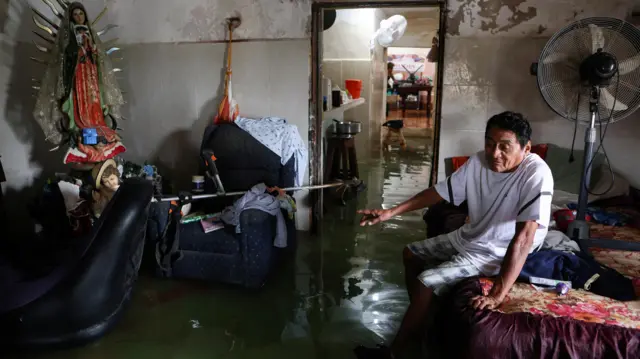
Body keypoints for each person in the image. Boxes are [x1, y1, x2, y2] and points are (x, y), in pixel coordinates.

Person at [354, 111, 553, 359]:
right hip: (472, 236)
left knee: (427, 281)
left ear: (526, 148)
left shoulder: (536, 172)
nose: (494, 153)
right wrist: (390, 212)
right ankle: (421, 317)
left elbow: (524, 237)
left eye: (504, 147)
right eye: (490, 143)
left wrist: (497, 295)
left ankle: (395, 352)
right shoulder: (479, 162)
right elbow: (438, 193)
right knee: (411, 253)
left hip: (497, 249)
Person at [33, 2, 125, 165]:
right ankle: (82, 127)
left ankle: (98, 125)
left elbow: (100, 59)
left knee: (95, 102)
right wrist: (76, 51)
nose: (79, 17)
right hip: (77, 76)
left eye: (81, 14)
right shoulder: (68, 37)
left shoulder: (91, 34)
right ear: (71, 18)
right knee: (79, 102)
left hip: (92, 76)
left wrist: (93, 50)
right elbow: (63, 59)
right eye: (75, 15)